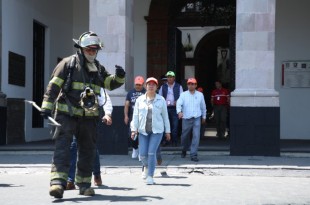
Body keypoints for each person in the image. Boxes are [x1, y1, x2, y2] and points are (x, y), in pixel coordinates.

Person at [40, 31, 125, 198]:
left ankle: (85, 184)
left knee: (88, 150)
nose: (92, 52)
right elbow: (53, 87)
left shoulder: (98, 68)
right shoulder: (67, 64)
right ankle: (58, 183)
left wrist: (120, 77)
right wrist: (46, 107)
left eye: (94, 50)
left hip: (89, 117)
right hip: (66, 115)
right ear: (81, 49)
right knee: (63, 148)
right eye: (89, 49)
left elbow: (109, 83)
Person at [67, 88, 113, 190]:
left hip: (90, 120)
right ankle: (70, 180)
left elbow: (105, 99)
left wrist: (107, 114)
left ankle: (96, 174)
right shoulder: (73, 76)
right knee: (73, 146)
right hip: (75, 119)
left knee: (91, 148)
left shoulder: (95, 79)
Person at [130, 77, 171, 185]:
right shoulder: (140, 100)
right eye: (149, 84)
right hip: (143, 131)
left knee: (151, 153)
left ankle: (150, 176)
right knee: (142, 155)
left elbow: (165, 117)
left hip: (157, 131)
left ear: (156, 87)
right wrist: (134, 130)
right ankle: (147, 167)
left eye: (153, 84)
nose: (151, 86)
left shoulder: (161, 100)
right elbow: (135, 116)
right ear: (145, 86)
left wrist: (168, 131)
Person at [177, 78, 207, 162]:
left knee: (196, 136)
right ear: (187, 85)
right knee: (184, 136)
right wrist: (179, 112)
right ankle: (184, 149)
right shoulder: (183, 94)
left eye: (193, 84)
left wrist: (204, 116)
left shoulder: (200, 95)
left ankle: (193, 154)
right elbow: (179, 104)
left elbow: (203, 107)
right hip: (186, 118)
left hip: (197, 118)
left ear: (196, 85)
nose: (191, 85)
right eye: (189, 84)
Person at [158, 71, 183, 146]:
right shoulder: (163, 87)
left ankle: (174, 141)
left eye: (171, 77)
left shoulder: (179, 86)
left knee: (175, 126)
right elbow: (159, 97)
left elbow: (182, 97)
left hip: (175, 108)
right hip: (165, 108)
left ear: (174, 78)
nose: (169, 78)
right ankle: (166, 141)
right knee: (166, 125)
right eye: (168, 77)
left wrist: (177, 101)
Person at [124, 76, 146, 159]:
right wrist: (126, 116)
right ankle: (135, 148)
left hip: (143, 117)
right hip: (132, 117)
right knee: (131, 135)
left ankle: (141, 152)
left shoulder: (146, 92)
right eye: (136, 84)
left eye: (139, 85)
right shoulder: (130, 93)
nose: (138, 86)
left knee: (142, 135)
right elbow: (126, 105)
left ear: (143, 84)